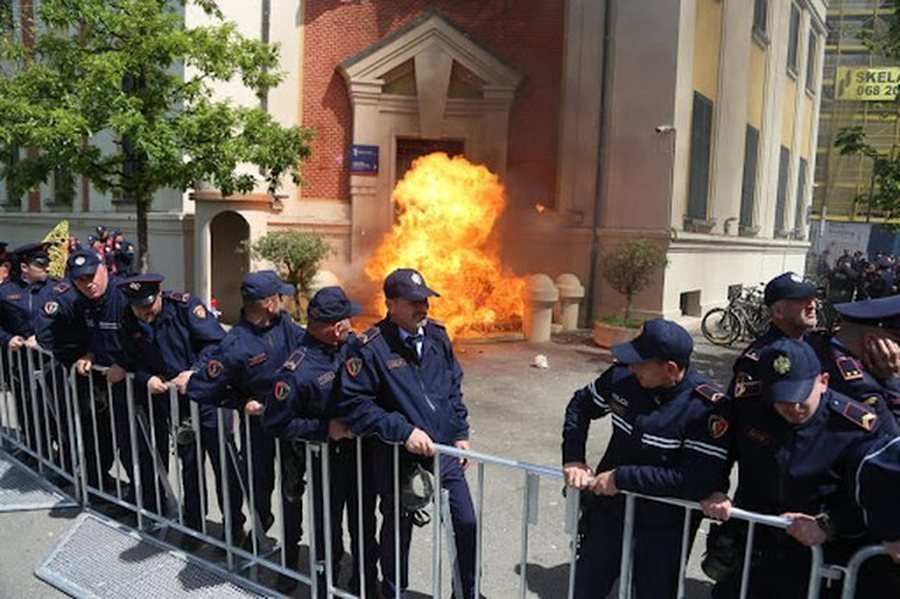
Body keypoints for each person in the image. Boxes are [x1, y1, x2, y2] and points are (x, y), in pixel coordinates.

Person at [701, 338, 900, 598]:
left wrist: (829, 524)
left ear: (823, 382)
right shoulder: (749, 407)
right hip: (754, 546)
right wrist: (714, 488)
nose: (792, 408)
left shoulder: (855, 427)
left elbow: (873, 497)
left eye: (800, 397)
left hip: (817, 554)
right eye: (781, 399)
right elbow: (719, 451)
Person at [562, 318, 731, 599]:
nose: (631, 367)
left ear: (670, 369)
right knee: (585, 589)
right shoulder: (623, 379)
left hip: (663, 528)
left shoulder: (705, 408)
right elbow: (580, 405)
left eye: (640, 362)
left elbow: (696, 481)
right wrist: (574, 458)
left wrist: (622, 478)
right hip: (610, 512)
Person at [339, 267, 476, 599]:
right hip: (397, 457)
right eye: (414, 301)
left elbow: (452, 389)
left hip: (443, 451)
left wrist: (460, 431)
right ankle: (393, 592)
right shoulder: (370, 346)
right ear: (391, 304)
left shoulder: (437, 337)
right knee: (398, 532)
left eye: (425, 300)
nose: (422, 307)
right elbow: (356, 405)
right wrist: (403, 431)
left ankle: (466, 591)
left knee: (466, 521)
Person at [182, 270, 304, 579]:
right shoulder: (235, 344)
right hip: (259, 428)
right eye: (279, 296)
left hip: (292, 424)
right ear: (266, 302)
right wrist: (241, 402)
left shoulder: (285, 324)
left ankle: (290, 561)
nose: (284, 300)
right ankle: (260, 533)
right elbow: (200, 388)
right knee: (259, 487)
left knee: (293, 490)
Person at [264, 286, 379, 597]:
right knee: (328, 531)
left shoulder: (348, 346)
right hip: (326, 461)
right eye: (347, 320)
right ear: (334, 326)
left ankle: (365, 586)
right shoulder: (297, 371)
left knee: (365, 526)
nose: (352, 326)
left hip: (361, 456)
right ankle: (324, 587)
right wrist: (324, 428)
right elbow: (275, 421)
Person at [118, 273, 245, 538]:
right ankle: (194, 526)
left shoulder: (185, 308)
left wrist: (195, 372)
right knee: (189, 466)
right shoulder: (130, 318)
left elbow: (217, 343)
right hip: (177, 404)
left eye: (148, 304)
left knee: (223, 466)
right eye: (137, 306)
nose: (144, 311)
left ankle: (234, 530)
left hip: (210, 398)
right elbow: (131, 359)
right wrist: (147, 378)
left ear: (159, 294)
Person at [35, 248, 126, 492]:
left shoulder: (123, 295)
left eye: (91, 276)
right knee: (95, 436)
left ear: (104, 269)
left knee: (133, 447)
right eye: (81, 280)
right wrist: (88, 354)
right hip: (96, 380)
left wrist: (125, 364)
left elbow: (143, 341)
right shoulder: (82, 301)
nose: (88, 284)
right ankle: (99, 487)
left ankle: (150, 504)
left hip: (132, 384)